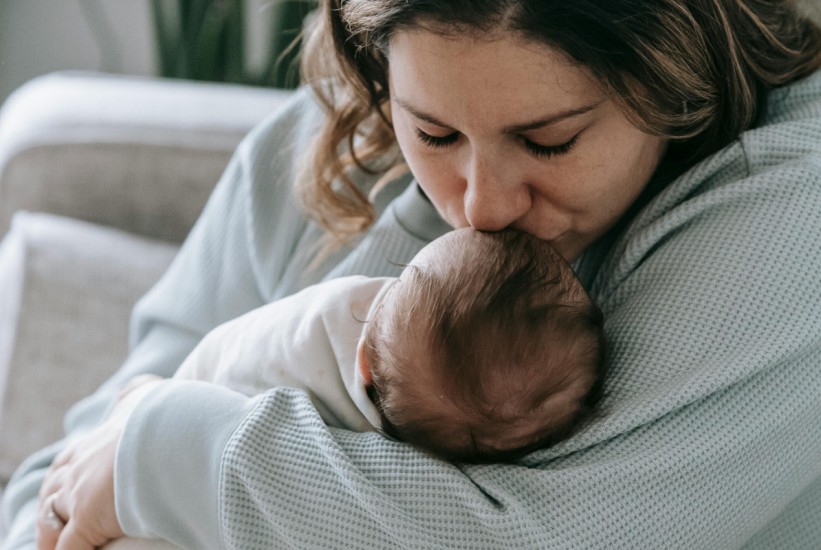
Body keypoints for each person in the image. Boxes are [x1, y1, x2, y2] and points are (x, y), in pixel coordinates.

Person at [3, 0, 820, 548]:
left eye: (547, 142)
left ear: (672, 72)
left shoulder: (785, 204)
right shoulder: (323, 152)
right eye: (432, 132)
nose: (484, 207)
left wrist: (167, 456)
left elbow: (533, 536)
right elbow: (52, 480)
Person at [171, 228, 607, 463]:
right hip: (196, 390)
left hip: (193, 407)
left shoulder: (343, 335)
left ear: (364, 365)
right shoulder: (321, 330)